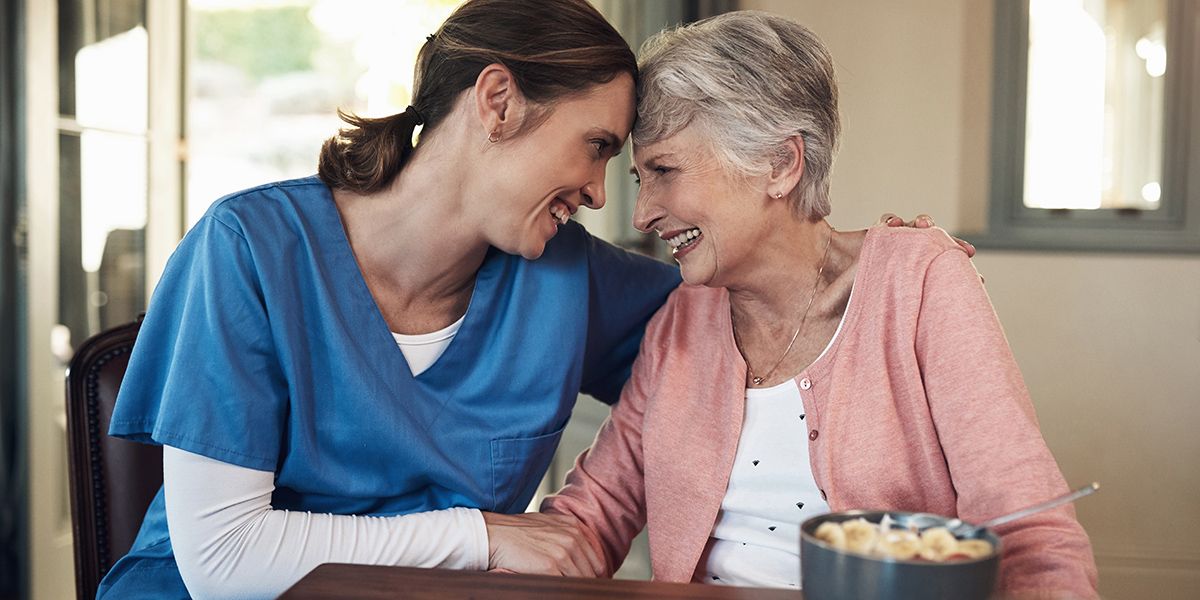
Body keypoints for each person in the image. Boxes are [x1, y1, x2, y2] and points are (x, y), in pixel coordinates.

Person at [99, 1, 958, 597]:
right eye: (594, 149)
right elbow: (221, 558)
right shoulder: (249, 249)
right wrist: (486, 534)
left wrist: (877, 272)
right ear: (498, 101)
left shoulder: (567, 276)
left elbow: (761, 318)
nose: (597, 193)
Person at [541, 11, 1099, 598]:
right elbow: (591, 517)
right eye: (639, 174)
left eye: (665, 170)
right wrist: (476, 551)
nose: (641, 213)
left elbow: (1032, 534)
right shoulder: (682, 319)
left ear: (781, 165)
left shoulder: (919, 284)